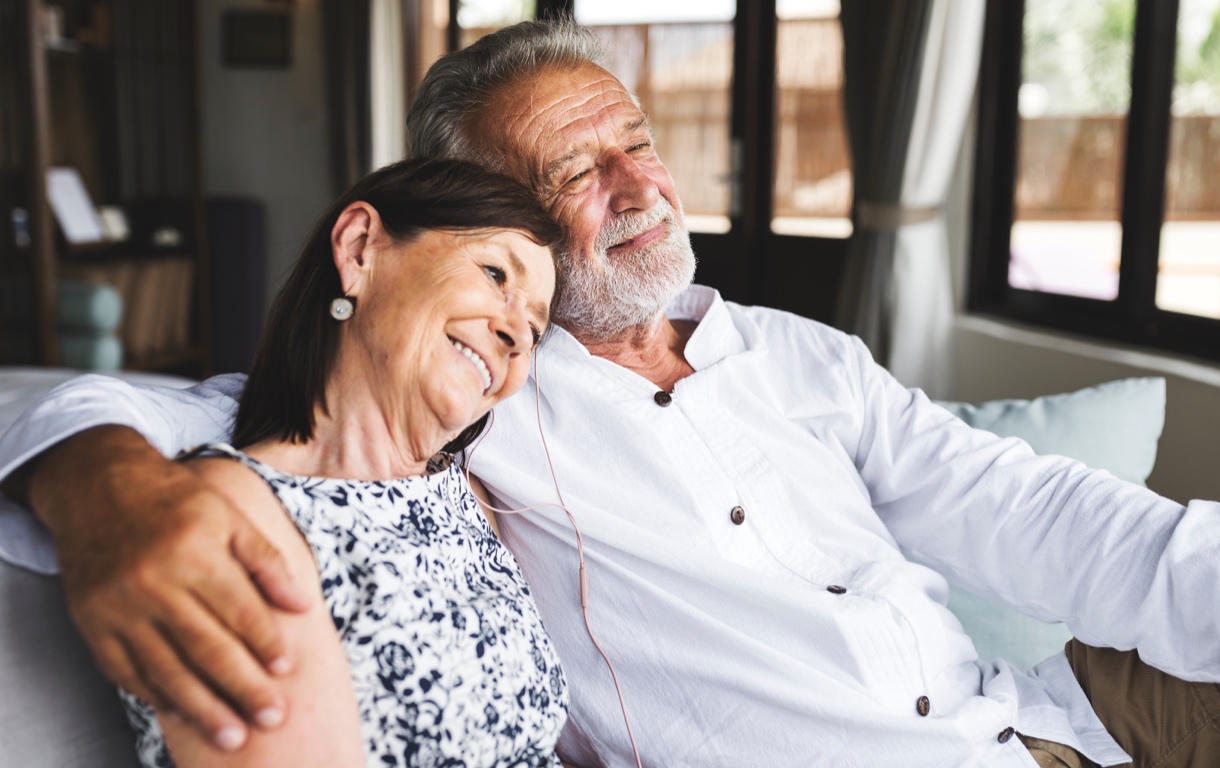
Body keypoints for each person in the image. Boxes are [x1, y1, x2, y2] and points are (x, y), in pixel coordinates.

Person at [2, 18, 1219, 768]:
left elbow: (1043, 515)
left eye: (636, 141)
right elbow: (173, 414)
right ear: (489, 216)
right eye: (575, 170)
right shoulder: (469, 388)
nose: (637, 185)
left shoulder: (800, 356)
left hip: (1069, 716)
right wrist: (108, 495)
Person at [100, 157, 569, 767]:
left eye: (535, 329)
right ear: (359, 248)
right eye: (493, 273)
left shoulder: (463, 493)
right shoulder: (230, 523)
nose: (515, 334)